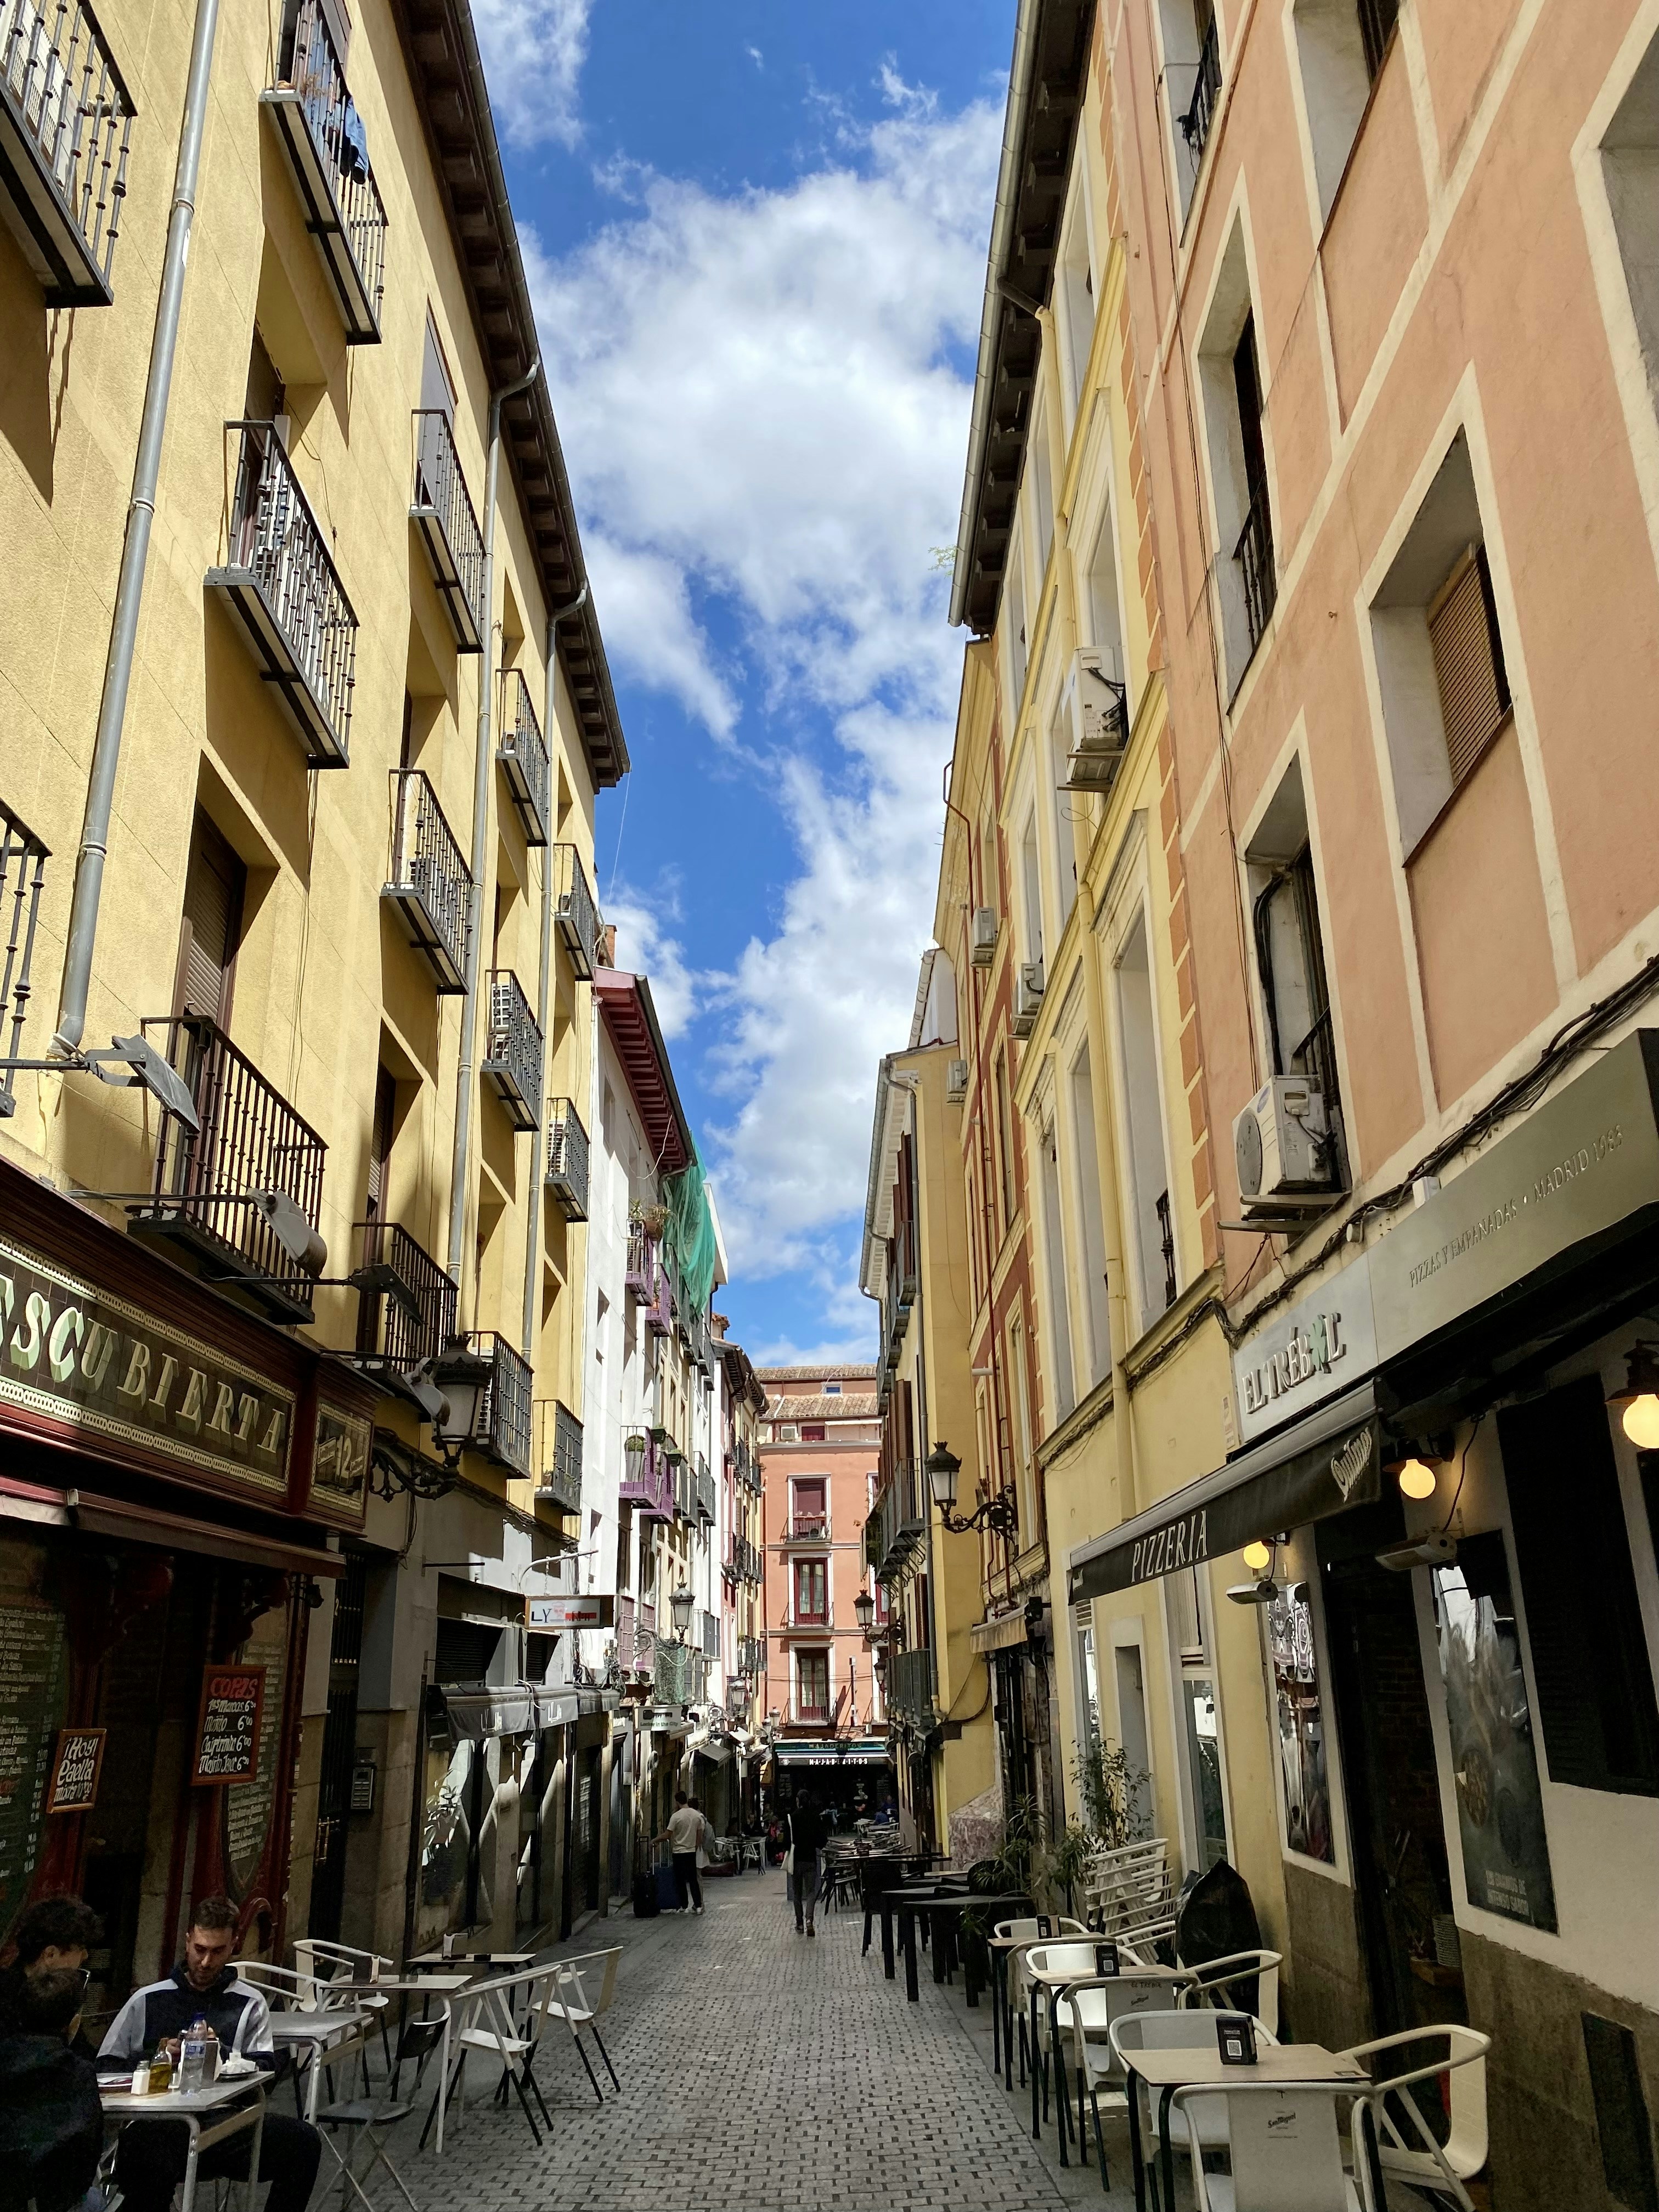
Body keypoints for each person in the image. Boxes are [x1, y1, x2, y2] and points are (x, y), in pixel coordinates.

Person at [98, 1895, 321, 2212]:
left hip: (224, 2125)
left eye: (217, 1952)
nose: (206, 1962)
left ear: (233, 1947)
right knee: (146, 2153)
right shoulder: (147, 2000)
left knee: (304, 2142)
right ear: (188, 1942)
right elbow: (105, 2068)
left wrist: (222, 2055)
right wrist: (156, 2056)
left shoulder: (249, 2002)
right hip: (156, 2123)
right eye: (200, 1950)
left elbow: (266, 2074)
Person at [0, 1966, 104, 2212]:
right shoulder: (77, 2073)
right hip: (50, 2200)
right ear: (74, 2023)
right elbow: (86, 2161)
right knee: (95, 2200)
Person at [0, 1895, 102, 2041]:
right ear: (51, 1954)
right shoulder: (6, 2003)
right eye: (81, 1948)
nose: (85, 1956)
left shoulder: (59, 1994)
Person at [655, 1791, 706, 1915]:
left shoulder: (676, 1817)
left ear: (677, 1802)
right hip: (691, 1851)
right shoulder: (697, 1816)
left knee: (680, 1880)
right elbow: (700, 1834)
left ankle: (684, 1905)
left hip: (678, 1852)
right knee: (693, 1879)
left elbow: (668, 1834)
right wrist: (696, 1845)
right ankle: (698, 1905)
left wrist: (655, 1840)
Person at [787, 1796, 826, 1937]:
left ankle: (799, 1923)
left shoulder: (793, 1817)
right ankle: (810, 1919)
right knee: (811, 1892)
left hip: (796, 1860)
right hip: (810, 1859)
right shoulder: (815, 1817)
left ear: (798, 1801)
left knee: (797, 1893)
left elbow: (787, 1840)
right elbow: (822, 1840)